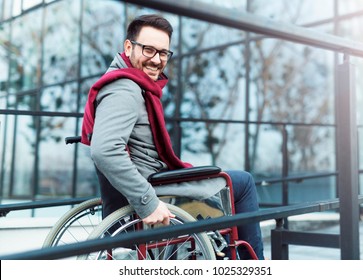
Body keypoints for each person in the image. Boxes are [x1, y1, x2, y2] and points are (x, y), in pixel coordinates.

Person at [81, 14, 264, 260]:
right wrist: (148, 202)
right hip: (154, 188)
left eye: (163, 53)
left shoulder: (131, 84)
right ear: (128, 47)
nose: (157, 60)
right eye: (148, 50)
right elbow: (105, 150)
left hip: (153, 180)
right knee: (242, 183)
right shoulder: (124, 89)